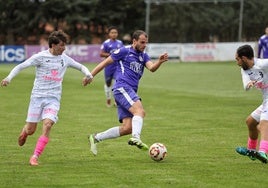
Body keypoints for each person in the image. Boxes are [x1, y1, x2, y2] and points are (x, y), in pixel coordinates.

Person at [1, 30, 93, 166]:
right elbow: (21, 66)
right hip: (37, 98)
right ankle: (25, 131)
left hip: (53, 99)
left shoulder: (65, 59)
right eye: (61, 45)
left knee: (48, 124)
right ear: (53, 45)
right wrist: (8, 78)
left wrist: (88, 74)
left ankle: (35, 156)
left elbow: (80, 66)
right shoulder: (40, 57)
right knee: (31, 130)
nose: (64, 48)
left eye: (64, 45)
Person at [88, 30, 168, 156]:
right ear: (134, 41)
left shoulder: (143, 56)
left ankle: (96, 137)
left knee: (127, 128)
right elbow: (105, 62)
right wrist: (90, 75)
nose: (144, 45)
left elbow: (151, 68)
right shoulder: (124, 51)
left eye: (146, 43)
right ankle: (136, 138)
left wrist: (159, 62)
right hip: (122, 87)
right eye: (142, 42)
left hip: (128, 91)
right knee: (140, 111)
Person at [235, 44, 268, 164]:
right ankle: (252, 151)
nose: (237, 62)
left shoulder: (263, 64)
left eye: (237, 59)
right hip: (266, 100)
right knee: (250, 122)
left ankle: (263, 151)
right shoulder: (244, 70)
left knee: (264, 122)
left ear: (243, 58)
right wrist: (249, 85)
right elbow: (246, 86)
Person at [100, 26, 124, 107]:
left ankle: (117, 101)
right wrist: (112, 55)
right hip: (108, 66)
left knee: (117, 82)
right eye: (112, 33)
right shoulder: (106, 43)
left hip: (117, 66)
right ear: (109, 34)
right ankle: (108, 98)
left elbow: (123, 52)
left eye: (115, 33)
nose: (114, 34)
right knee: (108, 83)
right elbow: (101, 54)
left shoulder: (120, 43)